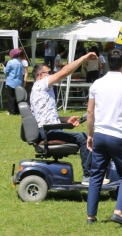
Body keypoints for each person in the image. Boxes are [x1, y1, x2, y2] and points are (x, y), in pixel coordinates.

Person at [86, 48, 122, 226]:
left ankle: (91, 216)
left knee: (96, 175)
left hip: (101, 134)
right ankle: (118, 211)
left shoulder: (96, 84)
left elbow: (90, 112)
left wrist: (90, 134)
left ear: (108, 63)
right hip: (119, 135)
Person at [30, 52, 99, 184]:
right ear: (40, 75)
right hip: (47, 132)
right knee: (84, 138)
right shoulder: (41, 84)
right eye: (48, 72)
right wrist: (83, 58)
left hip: (47, 129)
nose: (51, 75)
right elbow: (64, 71)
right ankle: (88, 176)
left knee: (81, 137)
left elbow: (44, 117)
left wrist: (65, 120)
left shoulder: (38, 90)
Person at [4, 49, 24, 115]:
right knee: (17, 97)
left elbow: (6, 71)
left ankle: (11, 111)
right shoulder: (21, 62)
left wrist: (4, 67)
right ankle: (17, 110)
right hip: (19, 82)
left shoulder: (10, 62)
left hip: (11, 82)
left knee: (11, 97)